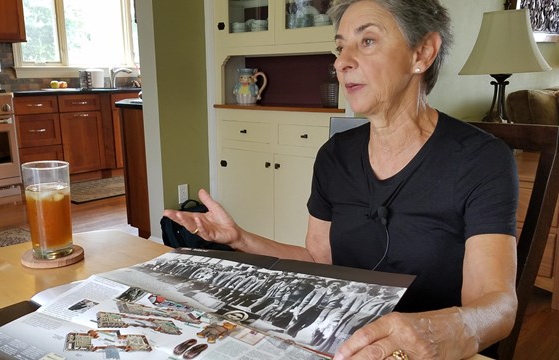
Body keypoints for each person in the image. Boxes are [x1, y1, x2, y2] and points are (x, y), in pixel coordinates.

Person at [163, 0, 518, 359]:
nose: (340, 61)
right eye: (340, 46)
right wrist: (240, 239)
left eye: (367, 42)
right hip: (337, 340)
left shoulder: (481, 160)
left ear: (422, 53)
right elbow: (320, 260)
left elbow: (497, 306)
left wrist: (435, 332)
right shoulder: (335, 156)